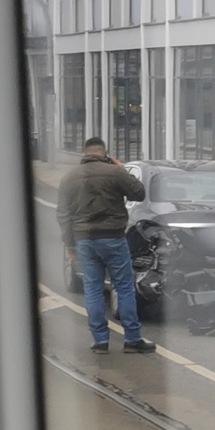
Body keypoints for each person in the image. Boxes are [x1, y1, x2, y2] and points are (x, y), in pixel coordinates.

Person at [56, 137, 156, 354]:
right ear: (105, 153)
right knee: (124, 288)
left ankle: (100, 341)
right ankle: (132, 339)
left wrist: (69, 243)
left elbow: (63, 214)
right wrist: (122, 169)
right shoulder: (115, 172)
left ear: (84, 153)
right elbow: (138, 193)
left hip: (84, 240)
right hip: (113, 238)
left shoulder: (68, 178)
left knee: (92, 288)